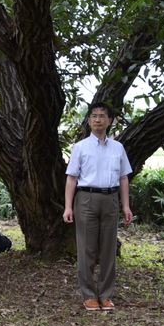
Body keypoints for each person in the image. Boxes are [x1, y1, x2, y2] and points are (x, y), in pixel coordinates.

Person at [63, 103, 133, 311]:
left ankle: (105, 294)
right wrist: (68, 207)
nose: (97, 120)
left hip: (111, 199)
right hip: (86, 198)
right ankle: (88, 295)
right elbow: (71, 178)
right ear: (88, 120)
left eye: (102, 116)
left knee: (108, 248)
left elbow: (123, 178)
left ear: (109, 121)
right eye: (93, 116)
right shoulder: (81, 147)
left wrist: (126, 205)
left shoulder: (117, 148)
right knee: (87, 248)